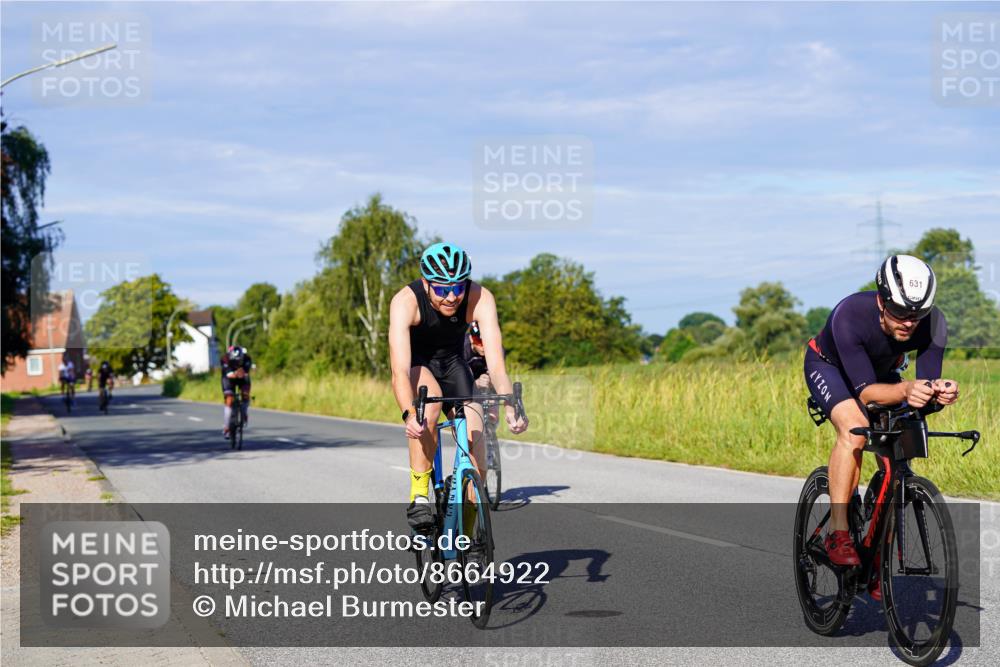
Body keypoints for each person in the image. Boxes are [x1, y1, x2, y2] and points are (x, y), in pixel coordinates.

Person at [804, 255, 958, 600]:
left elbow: (924, 383)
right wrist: (906, 389)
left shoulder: (934, 324)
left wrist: (938, 392)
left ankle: (876, 558)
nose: (909, 322)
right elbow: (866, 393)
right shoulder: (850, 315)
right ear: (881, 301)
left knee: (895, 461)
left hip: (882, 374)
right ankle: (838, 532)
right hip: (830, 368)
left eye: (918, 314)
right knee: (855, 427)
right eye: (900, 312)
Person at [388, 242, 528, 532]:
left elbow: (496, 365)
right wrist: (409, 414)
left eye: (458, 287)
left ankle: (469, 535)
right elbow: (399, 371)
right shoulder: (405, 302)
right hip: (418, 365)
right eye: (442, 289)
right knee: (430, 407)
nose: (452, 297)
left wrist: (510, 406)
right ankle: (419, 496)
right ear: (426, 283)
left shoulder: (481, 297)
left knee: (478, 447)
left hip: (454, 365)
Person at [464, 320, 499, 424]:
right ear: (471, 338)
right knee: (470, 413)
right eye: (478, 341)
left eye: (487, 342)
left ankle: (490, 429)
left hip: (485, 380)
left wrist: (491, 381)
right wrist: (476, 383)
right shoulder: (462, 348)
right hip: (466, 379)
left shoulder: (497, 348)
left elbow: (498, 376)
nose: (483, 346)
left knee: (493, 413)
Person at [221, 345, 252, 437]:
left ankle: (244, 412)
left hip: (242, 377)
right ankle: (226, 427)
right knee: (229, 400)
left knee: (245, 394)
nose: (237, 363)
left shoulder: (247, 359)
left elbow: (245, 372)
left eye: (239, 361)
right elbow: (227, 373)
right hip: (228, 378)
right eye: (235, 361)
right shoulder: (225, 359)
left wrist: (241, 373)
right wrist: (234, 373)